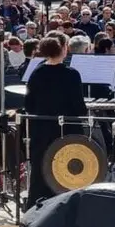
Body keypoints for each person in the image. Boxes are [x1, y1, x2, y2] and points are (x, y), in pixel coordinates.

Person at [24, 32, 87, 208]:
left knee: (40, 171)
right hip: (66, 132)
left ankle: (36, 207)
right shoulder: (72, 74)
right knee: (67, 171)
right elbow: (79, 108)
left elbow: (29, 104)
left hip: (41, 131)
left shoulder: (36, 73)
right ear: (63, 49)